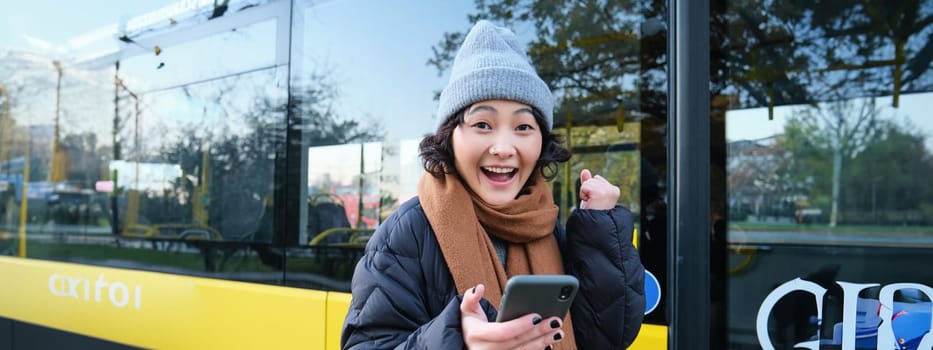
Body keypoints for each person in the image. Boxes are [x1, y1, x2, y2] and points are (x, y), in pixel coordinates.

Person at [341, 20, 645, 350]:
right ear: (449, 138)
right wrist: (458, 340)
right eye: (483, 124)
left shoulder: (548, 227)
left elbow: (606, 338)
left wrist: (598, 230)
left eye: (523, 126)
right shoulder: (409, 231)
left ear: (541, 142)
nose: (503, 147)